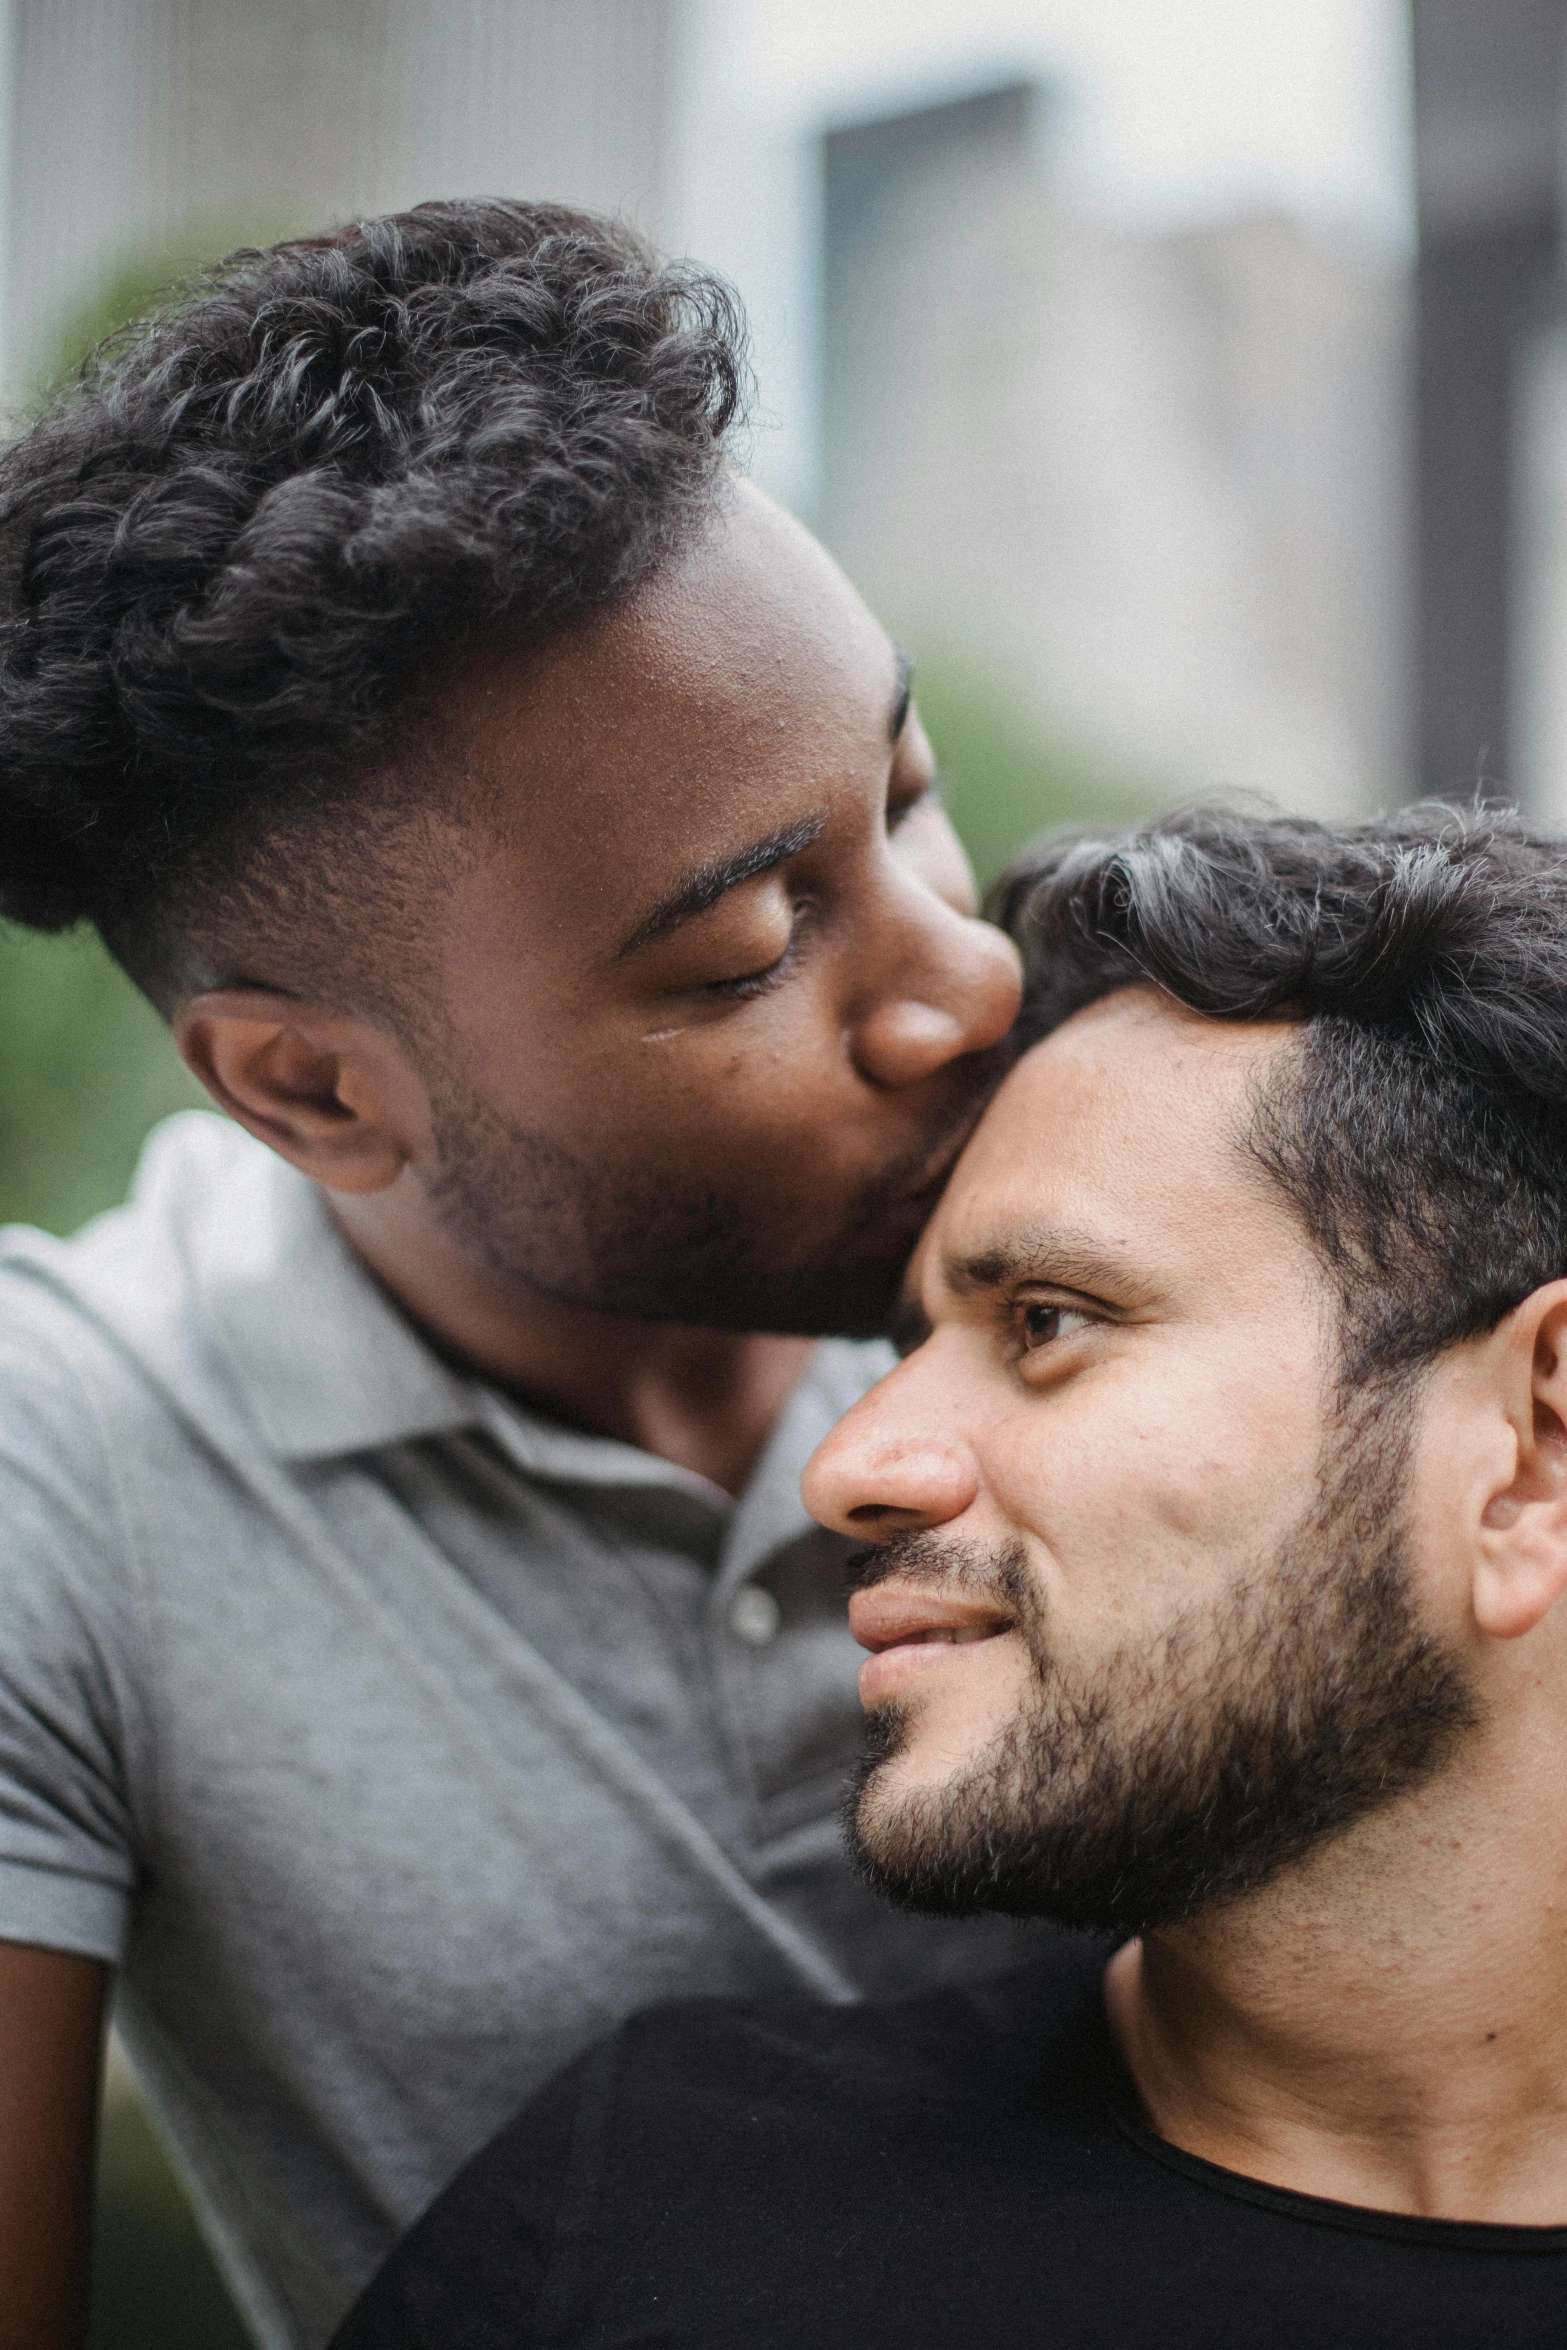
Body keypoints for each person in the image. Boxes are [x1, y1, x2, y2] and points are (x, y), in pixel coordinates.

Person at [0, 200, 1035, 2350]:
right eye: (753, 948)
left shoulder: (1162, 1247)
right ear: (309, 1090)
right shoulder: (67, 1477)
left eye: (909, 793)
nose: (971, 978)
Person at [335, 804, 1567, 2350]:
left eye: (1045, 1318)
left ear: (1529, 1444)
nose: (848, 1463)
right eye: (906, 1340)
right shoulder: (656, 2210)